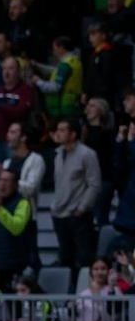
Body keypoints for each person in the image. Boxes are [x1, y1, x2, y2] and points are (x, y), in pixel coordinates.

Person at [47, 117, 102, 288]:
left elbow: (94, 184)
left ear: (73, 134)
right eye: (58, 129)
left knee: (84, 257)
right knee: (65, 256)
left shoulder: (87, 154)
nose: (58, 133)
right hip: (59, 212)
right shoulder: (57, 154)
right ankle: (68, 293)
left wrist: (82, 207)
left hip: (77, 213)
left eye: (63, 130)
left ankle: (86, 293)